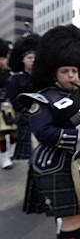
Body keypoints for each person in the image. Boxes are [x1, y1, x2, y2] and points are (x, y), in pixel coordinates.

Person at [21, 24, 80, 239]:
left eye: (74, 70)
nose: (72, 75)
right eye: (65, 71)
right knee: (73, 217)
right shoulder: (43, 99)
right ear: (53, 73)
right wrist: (78, 136)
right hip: (59, 165)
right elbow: (42, 132)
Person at [5, 33, 41, 161]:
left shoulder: (43, 78)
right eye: (29, 57)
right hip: (23, 116)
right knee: (26, 153)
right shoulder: (15, 79)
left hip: (41, 114)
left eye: (34, 57)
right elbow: (14, 99)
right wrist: (26, 111)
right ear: (23, 59)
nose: (32, 60)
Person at [0, 39, 16, 169]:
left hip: (8, 106)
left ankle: (9, 151)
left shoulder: (9, 74)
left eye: (3, 58)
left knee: (14, 133)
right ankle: (4, 156)